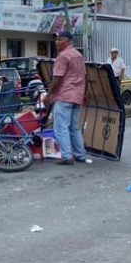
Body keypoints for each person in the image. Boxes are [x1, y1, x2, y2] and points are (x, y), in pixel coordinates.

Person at [44, 31, 89, 166]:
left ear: (68, 41)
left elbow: (58, 77)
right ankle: (81, 155)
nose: (57, 42)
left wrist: (49, 94)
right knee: (74, 128)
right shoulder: (78, 55)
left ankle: (66, 156)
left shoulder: (62, 56)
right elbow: (85, 76)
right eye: (56, 40)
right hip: (77, 95)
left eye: (60, 39)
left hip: (64, 95)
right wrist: (84, 93)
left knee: (61, 127)